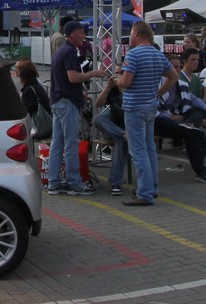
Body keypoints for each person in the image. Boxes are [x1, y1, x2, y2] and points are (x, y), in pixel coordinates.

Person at [111, 21, 176, 206]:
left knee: (138, 151)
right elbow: (173, 76)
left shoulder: (133, 54)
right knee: (149, 148)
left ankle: (145, 193)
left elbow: (127, 82)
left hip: (135, 107)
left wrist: (117, 81)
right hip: (150, 107)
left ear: (137, 34)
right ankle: (152, 187)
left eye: (131, 33)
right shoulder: (158, 54)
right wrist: (158, 93)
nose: (130, 37)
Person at [48, 21, 109, 197]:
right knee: (71, 143)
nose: (84, 36)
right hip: (67, 103)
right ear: (73, 33)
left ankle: (53, 182)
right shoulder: (69, 52)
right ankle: (74, 183)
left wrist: (78, 91)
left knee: (57, 143)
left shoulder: (61, 51)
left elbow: (65, 80)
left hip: (58, 100)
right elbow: (73, 77)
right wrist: (94, 73)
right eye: (81, 32)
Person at [157, 53, 206, 185]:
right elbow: (153, 109)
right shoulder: (157, 83)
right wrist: (169, 116)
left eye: (179, 67)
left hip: (180, 117)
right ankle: (201, 172)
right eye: (174, 67)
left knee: (198, 112)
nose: (177, 70)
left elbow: (194, 99)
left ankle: (189, 125)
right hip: (161, 119)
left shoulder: (181, 83)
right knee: (192, 133)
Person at [93, 75, 131, 197]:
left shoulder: (132, 87)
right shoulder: (113, 89)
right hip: (114, 129)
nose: (117, 76)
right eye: (116, 73)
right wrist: (108, 87)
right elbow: (98, 104)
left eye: (120, 73)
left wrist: (129, 131)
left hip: (129, 128)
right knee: (98, 118)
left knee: (121, 143)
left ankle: (116, 184)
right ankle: (121, 136)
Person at [15, 59, 51, 142]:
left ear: (23, 73)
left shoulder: (29, 90)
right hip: (46, 121)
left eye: (18, 69)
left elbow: (27, 110)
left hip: (38, 126)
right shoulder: (35, 85)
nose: (15, 70)